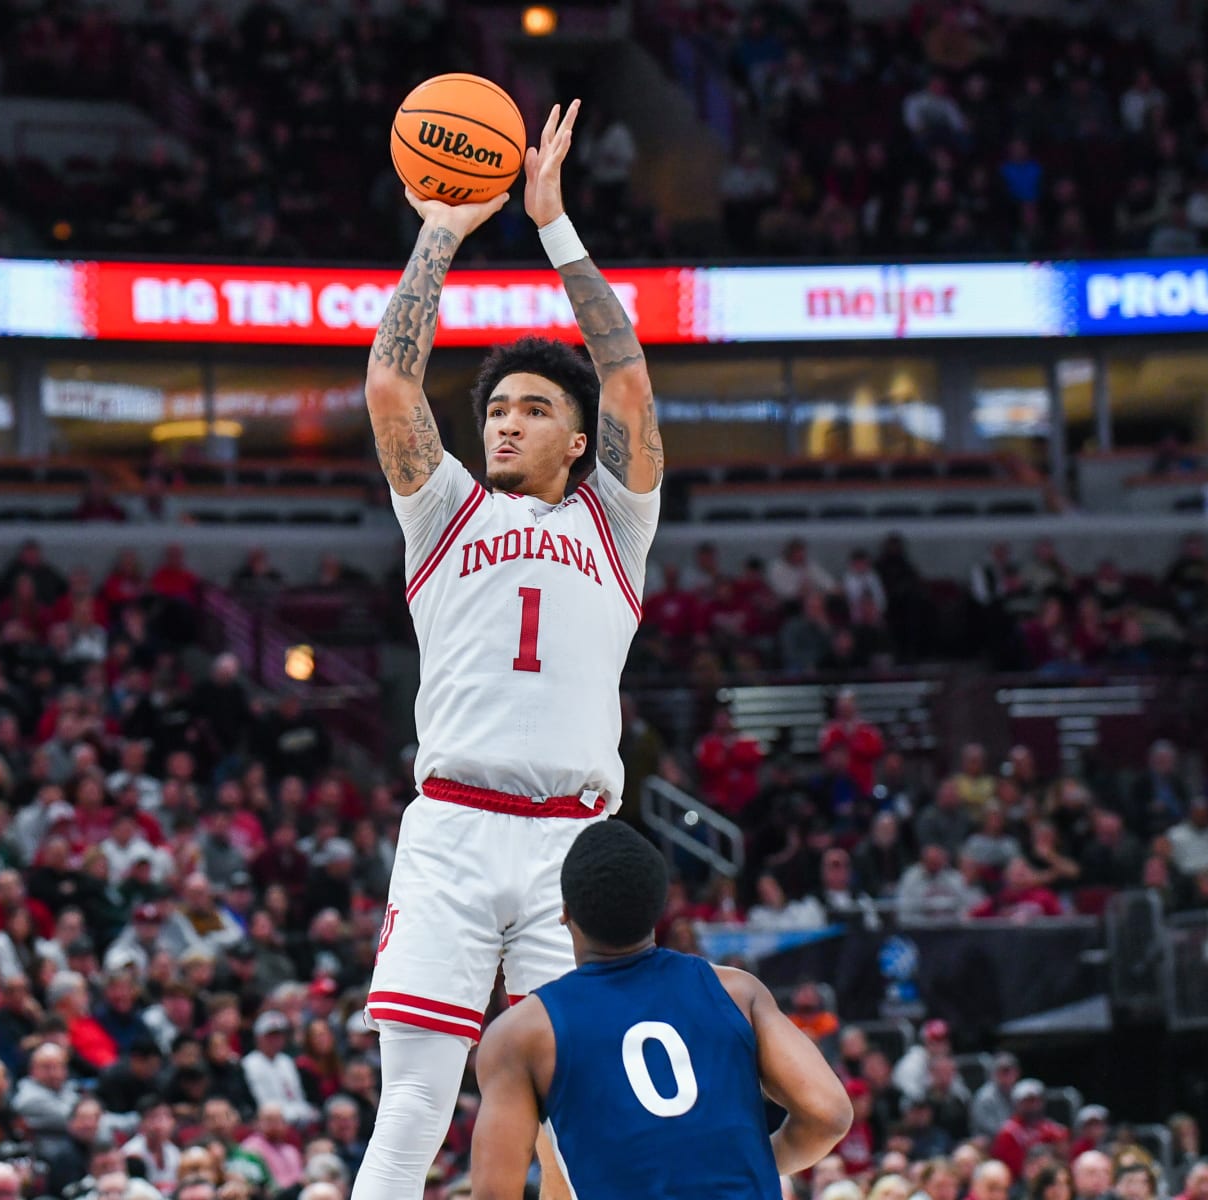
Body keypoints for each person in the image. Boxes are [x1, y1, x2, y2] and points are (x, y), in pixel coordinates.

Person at [355, 99, 663, 1200]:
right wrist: (442, 223)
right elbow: (393, 383)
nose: (503, 422)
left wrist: (552, 226)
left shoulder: (614, 522)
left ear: (578, 442)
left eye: (532, 409)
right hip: (452, 827)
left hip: (573, 846)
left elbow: (626, 375)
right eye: (494, 409)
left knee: (578, 1123)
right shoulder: (442, 511)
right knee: (414, 1109)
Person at [469, 821, 853, 1198]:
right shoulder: (736, 990)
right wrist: (759, 1161)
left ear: (565, 912)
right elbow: (829, 1115)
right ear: (660, 908)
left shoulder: (522, 1033)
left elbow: (494, 1194)